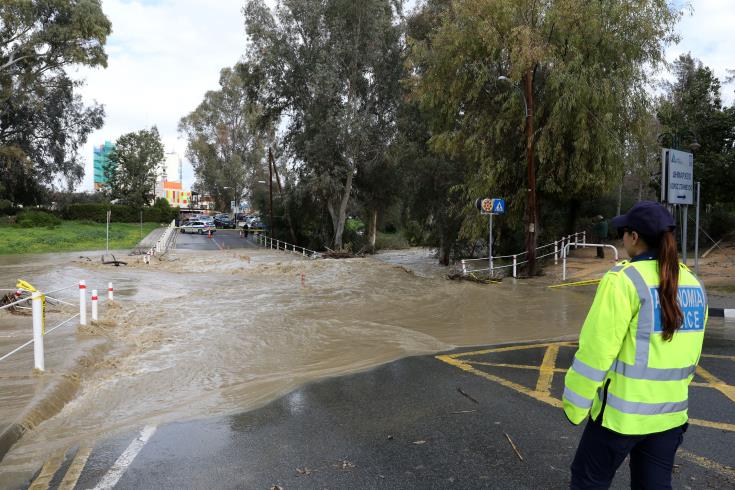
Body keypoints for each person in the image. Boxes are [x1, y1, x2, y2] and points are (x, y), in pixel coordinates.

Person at [563, 201, 707, 489]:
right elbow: (692, 355)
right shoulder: (693, 283)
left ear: (634, 237)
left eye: (623, 232)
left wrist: (575, 405)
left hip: (620, 418)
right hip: (669, 417)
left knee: (587, 481)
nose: (622, 238)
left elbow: (596, 351)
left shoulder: (623, 281)